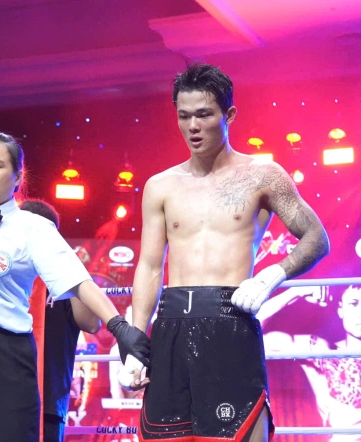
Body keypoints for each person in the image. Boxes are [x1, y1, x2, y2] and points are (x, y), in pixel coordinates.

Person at [0, 45, 149, 442]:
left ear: (18, 177)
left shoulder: (33, 228)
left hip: (5, 353)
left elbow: (79, 281)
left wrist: (120, 328)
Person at [125, 63, 330, 442]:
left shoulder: (263, 175)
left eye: (204, 114)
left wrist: (273, 275)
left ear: (229, 114)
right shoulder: (160, 186)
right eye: (184, 116)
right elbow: (150, 266)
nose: (193, 126)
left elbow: (317, 237)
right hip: (171, 324)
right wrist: (136, 343)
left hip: (230, 319)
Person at [18, 199, 102, 442]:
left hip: (49, 401)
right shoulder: (2, 272)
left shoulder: (65, 278)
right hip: (0, 397)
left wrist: (70, 268)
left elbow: (92, 324)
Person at [259, 285, 361, 442]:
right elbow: (253, 335)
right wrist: (296, 292)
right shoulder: (321, 351)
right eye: (354, 303)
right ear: (341, 310)